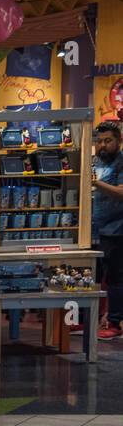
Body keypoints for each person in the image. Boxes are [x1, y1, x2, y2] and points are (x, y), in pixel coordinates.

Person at [90, 120, 123, 338]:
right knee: (91, 278)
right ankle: (88, 321)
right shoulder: (94, 161)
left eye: (108, 141)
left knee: (115, 279)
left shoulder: (121, 163)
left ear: (119, 141)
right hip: (92, 230)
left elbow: (121, 193)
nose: (102, 145)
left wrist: (94, 183)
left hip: (116, 231)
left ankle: (114, 323)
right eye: (99, 141)